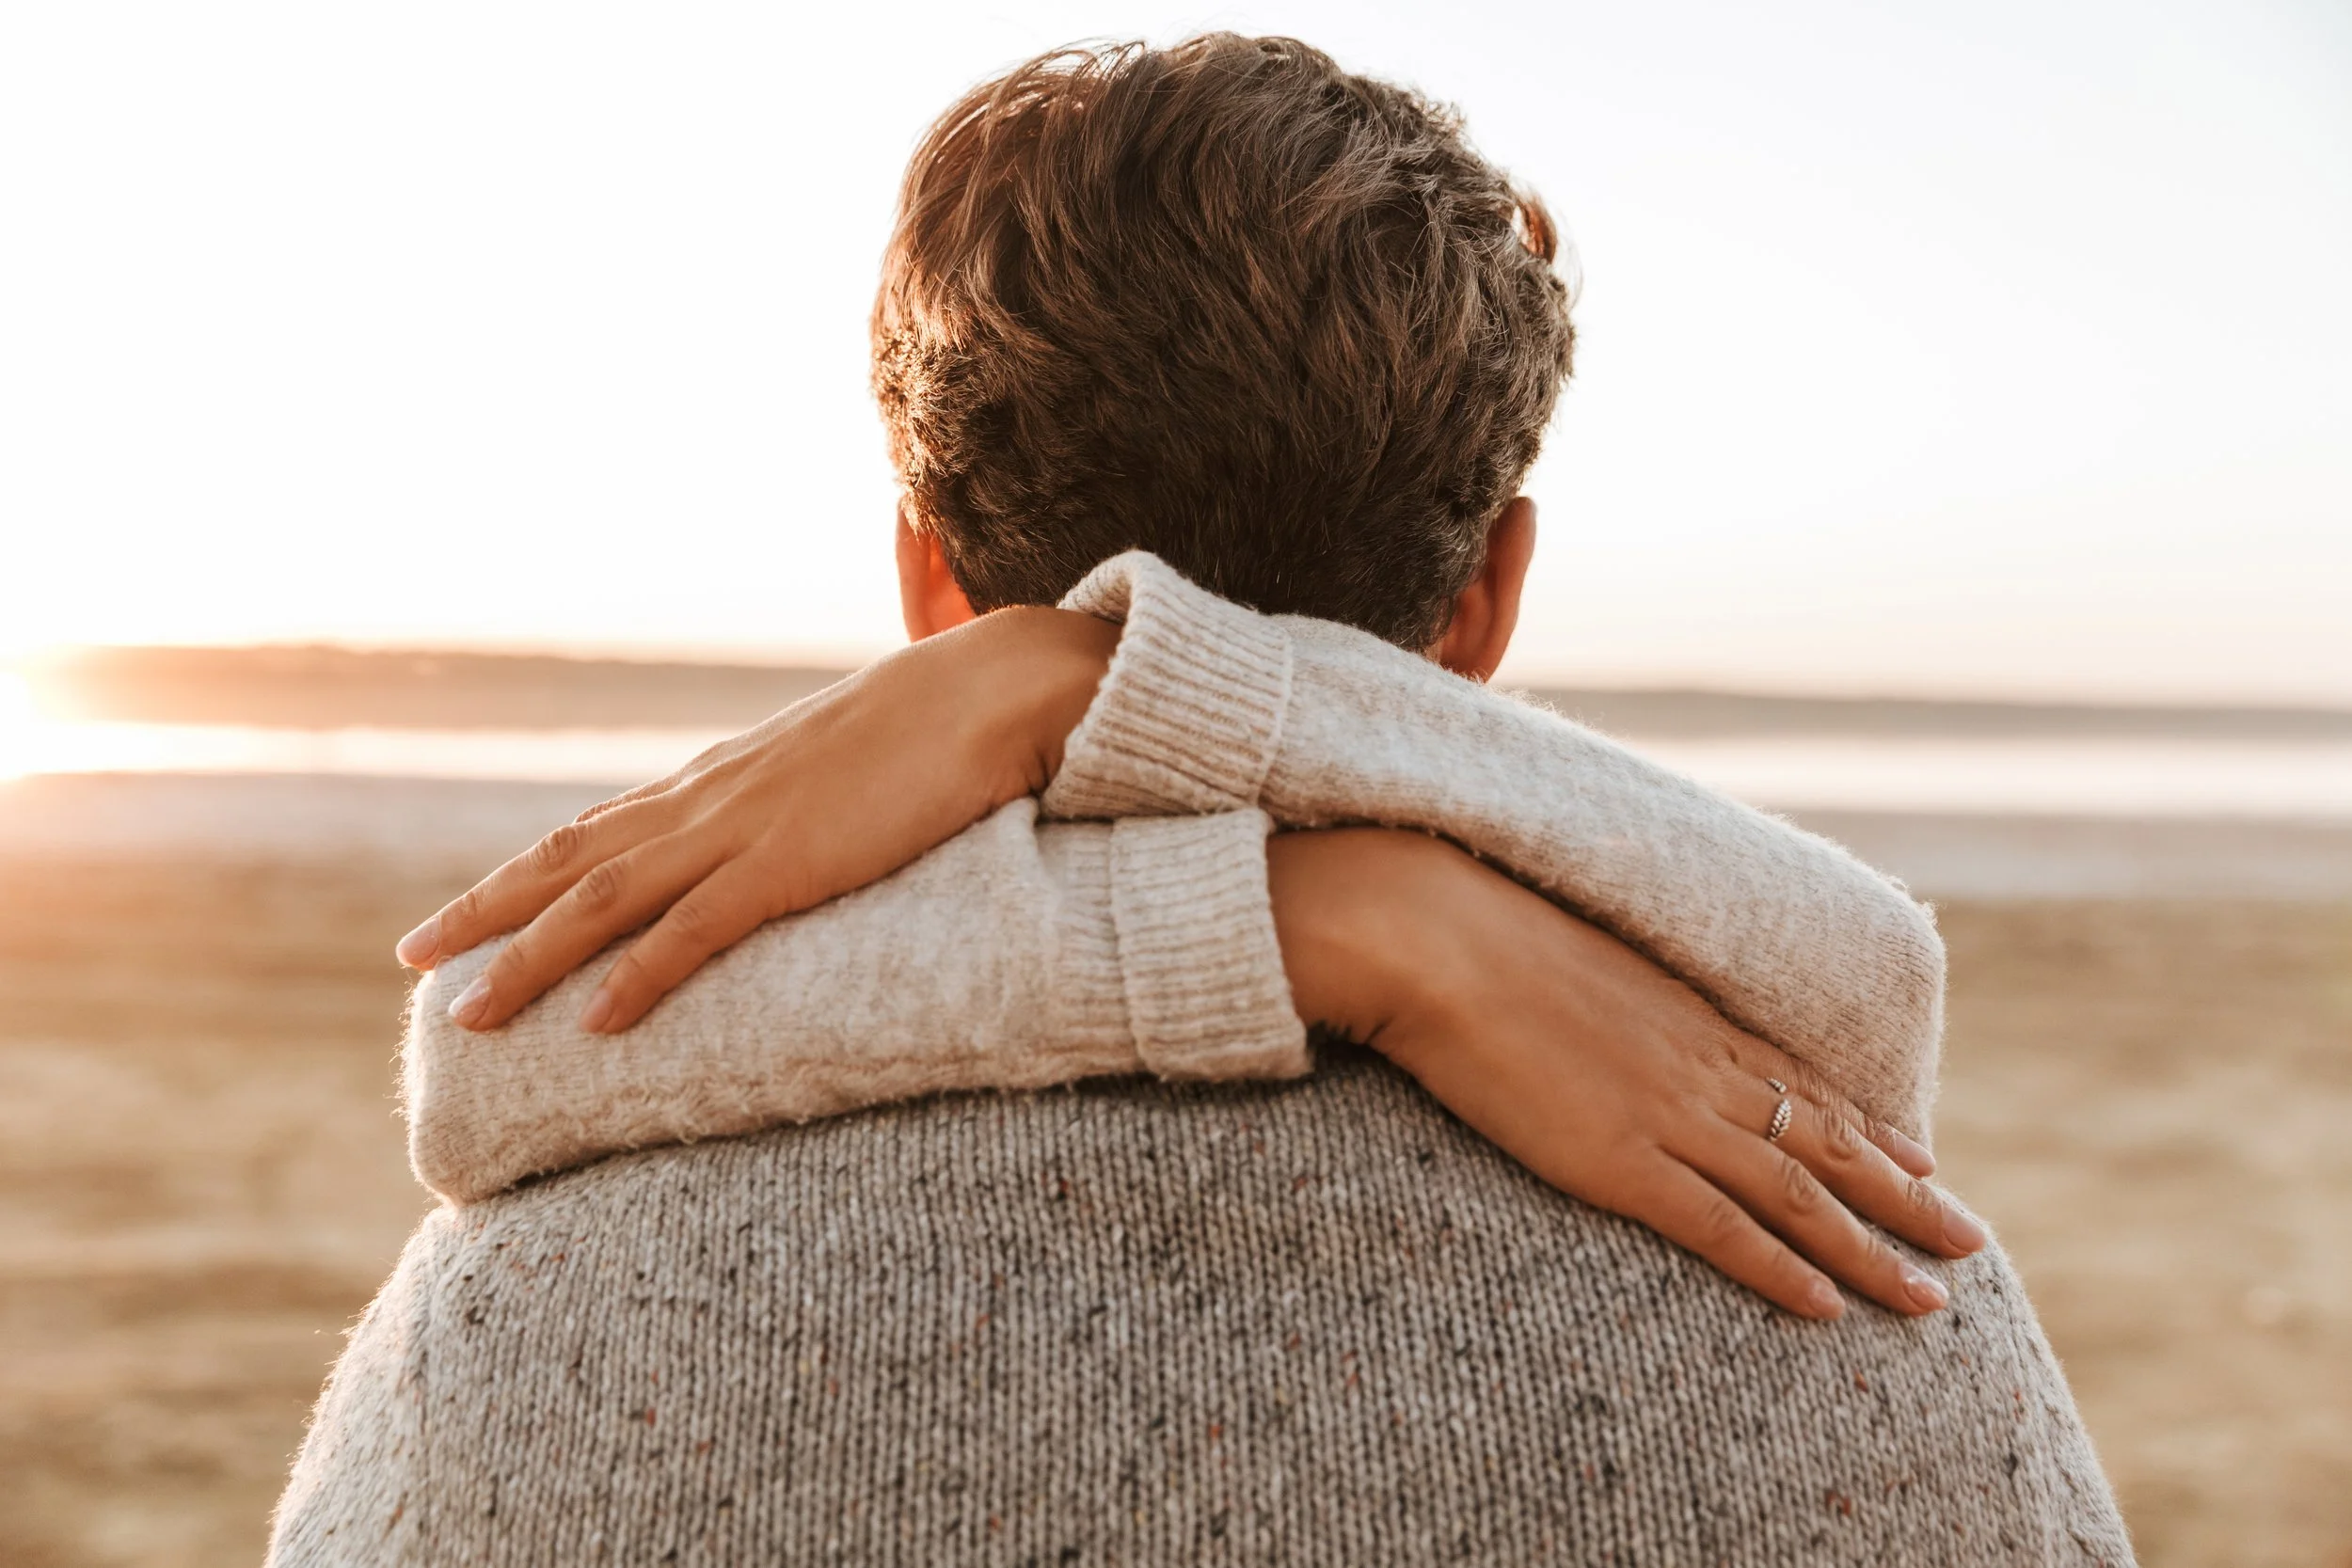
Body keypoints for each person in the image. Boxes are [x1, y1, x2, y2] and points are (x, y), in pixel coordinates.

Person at [270, 35, 2133, 1564]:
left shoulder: (514, 1331)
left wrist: (1087, 669)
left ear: (926, 582)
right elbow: (1860, 968)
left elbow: (494, 1038)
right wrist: (1310, 906)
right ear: (1487, 594)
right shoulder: (1863, 1271)